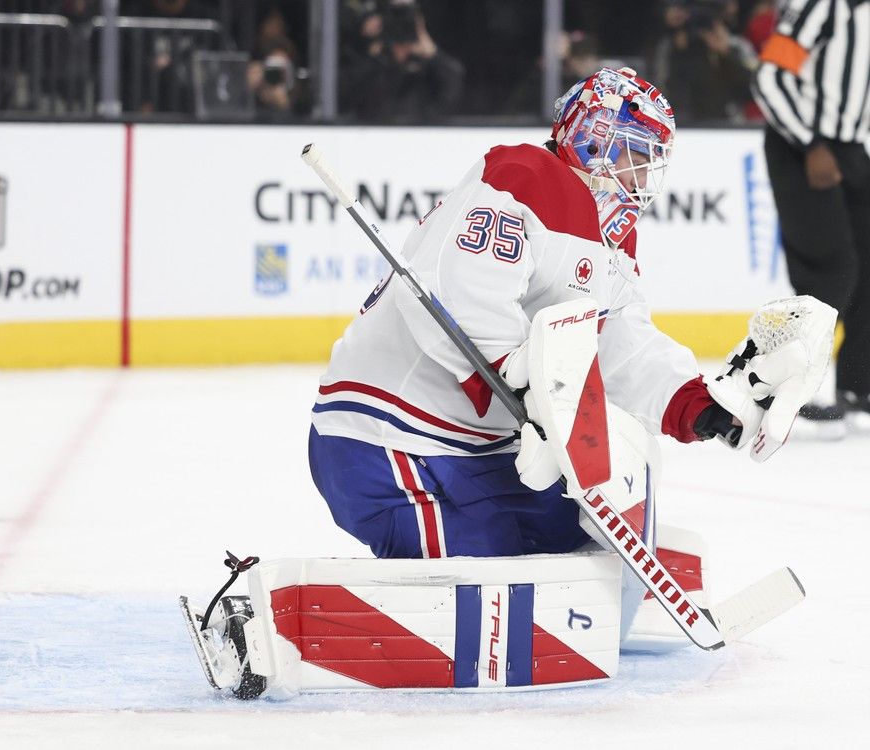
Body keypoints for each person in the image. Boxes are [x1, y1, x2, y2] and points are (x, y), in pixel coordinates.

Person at [307, 67, 823, 621]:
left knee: (569, 531)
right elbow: (456, 286)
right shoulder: (525, 175)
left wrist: (697, 404)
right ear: (592, 134)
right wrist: (529, 384)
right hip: (388, 440)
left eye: (652, 160)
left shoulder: (612, 235)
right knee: (492, 592)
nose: (642, 172)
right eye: (633, 151)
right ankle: (343, 615)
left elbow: (620, 342)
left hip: (479, 451)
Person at [752, 0, 870, 436]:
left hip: (852, 147)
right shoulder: (828, 9)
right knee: (833, 264)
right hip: (801, 145)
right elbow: (770, 76)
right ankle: (802, 386)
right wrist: (810, 143)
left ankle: (859, 388)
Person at [339, 0, 464, 122]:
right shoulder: (373, 64)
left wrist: (432, 52)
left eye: (407, 23)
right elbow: (345, 98)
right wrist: (376, 53)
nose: (400, 27)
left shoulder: (428, 71)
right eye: (393, 21)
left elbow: (453, 84)